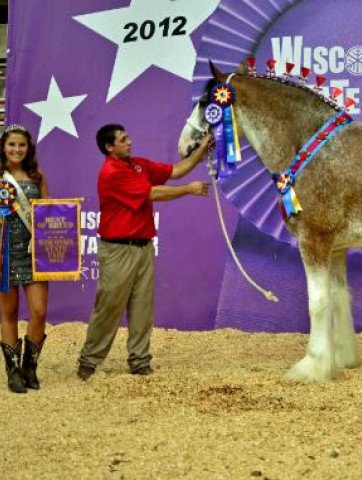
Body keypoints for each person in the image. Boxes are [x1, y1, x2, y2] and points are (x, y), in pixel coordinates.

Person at [77, 124, 211, 380]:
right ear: (109, 147)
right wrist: (188, 189)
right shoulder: (112, 172)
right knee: (109, 307)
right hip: (117, 249)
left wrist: (203, 149)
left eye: (128, 137)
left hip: (143, 246)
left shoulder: (137, 165)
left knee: (142, 308)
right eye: (123, 139)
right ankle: (89, 360)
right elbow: (153, 193)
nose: (130, 141)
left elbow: (176, 170)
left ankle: (139, 361)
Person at [0, 124, 49, 393]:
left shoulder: (37, 176)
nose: (17, 149)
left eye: (22, 145)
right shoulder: (0, 177)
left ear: (28, 148)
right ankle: (12, 372)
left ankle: (30, 367)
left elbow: (46, 212)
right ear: (3, 148)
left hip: (34, 253)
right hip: (4, 252)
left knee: (39, 311)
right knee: (8, 313)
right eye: (11, 145)